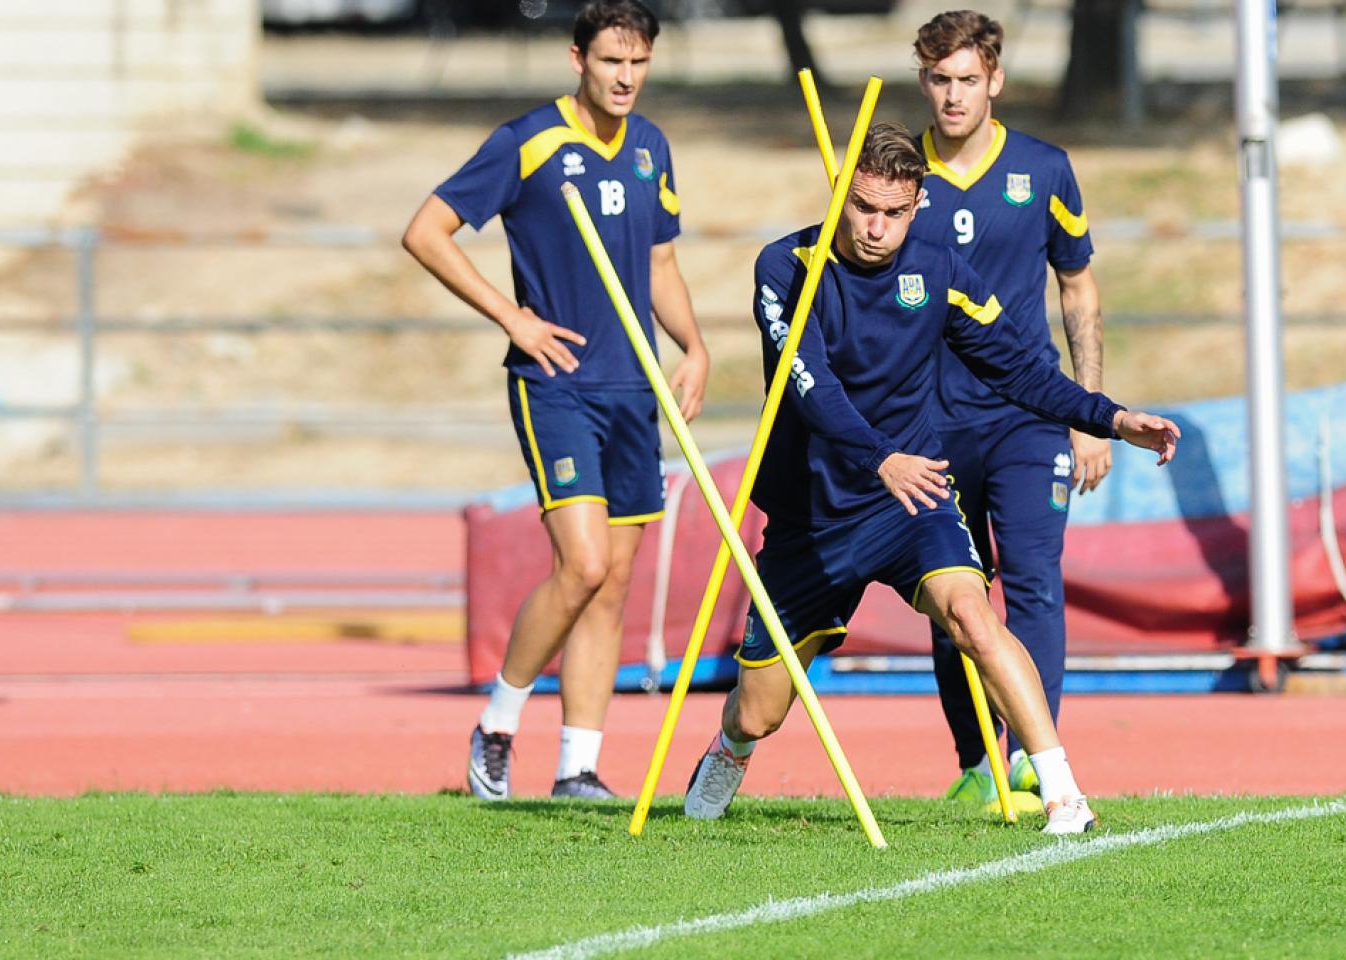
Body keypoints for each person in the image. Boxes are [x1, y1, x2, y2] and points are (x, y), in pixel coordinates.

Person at [680, 123, 1178, 834]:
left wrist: (1110, 416)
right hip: (815, 513)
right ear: (840, 194)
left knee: (974, 615)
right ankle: (727, 750)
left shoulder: (939, 268)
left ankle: (1065, 793)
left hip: (912, 497)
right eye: (863, 209)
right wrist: (877, 455)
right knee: (760, 708)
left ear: (918, 207)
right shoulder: (786, 266)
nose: (876, 228)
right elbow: (809, 385)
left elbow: (1017, 367)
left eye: (894, 212)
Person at [401, 0, 709, 801]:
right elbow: (426, 231)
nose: (626, 78)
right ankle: (497, 727)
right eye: (612, 61)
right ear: (578, 59)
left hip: (632, 388)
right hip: (557, 384)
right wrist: (512, 317)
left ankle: (577, 766)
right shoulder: (527, 142)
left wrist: (696, 348)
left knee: (613, 585)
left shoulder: (651, 147)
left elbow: (662, 266)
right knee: (581, 563)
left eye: (639, 63)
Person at [906, 10, 1110, 810]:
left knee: (1033, 583)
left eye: (966, 80)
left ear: (994, 79)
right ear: (923, 80)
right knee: (954, 594)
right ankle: (974, 763)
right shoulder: (890, 170)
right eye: (938, 80)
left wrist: (1089, 412)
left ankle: (1034, 755)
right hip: (927, 422)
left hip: (1026, 418)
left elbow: (1078, 284)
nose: (952, 96)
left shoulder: (1044, 168)